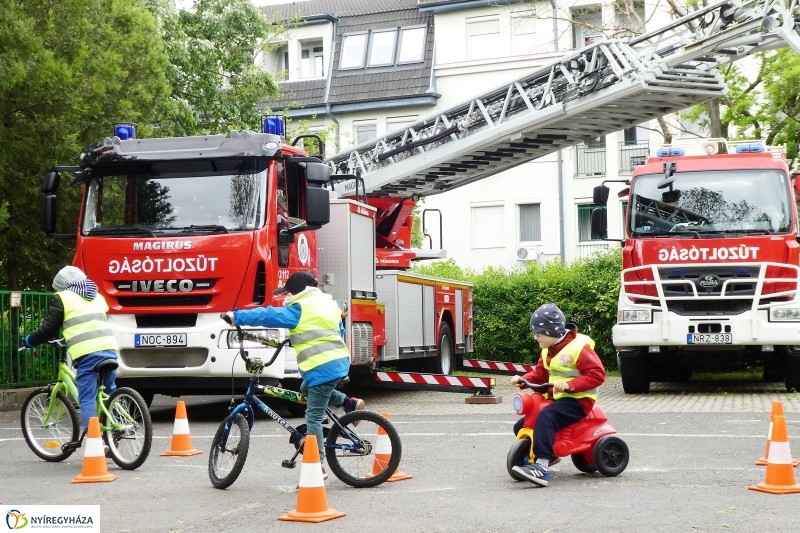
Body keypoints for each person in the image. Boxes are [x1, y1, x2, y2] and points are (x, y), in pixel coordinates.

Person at [225, 270, 365, 479]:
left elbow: (269, 316)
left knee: (313, 417)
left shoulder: (300, 309)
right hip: (338, 362)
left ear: (298, 292)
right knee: (304, 390)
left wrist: (236, 316)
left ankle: (317, 464)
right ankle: (349, 404)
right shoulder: (328, 305)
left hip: (321, 368)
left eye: (288, 292)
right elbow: (334, 333)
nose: (286, 296)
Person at [509, 303, 606, 487]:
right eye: (534, 332)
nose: (535, 337)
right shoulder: (548, 350)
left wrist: (570, 385)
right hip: (556, 397)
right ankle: (548, 454)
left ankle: (542, 466)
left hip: (579, 400)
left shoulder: (579, 348)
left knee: (546, 416)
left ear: (551, 330)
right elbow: (540, 374)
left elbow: (597, 374)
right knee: (522, 425)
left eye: (539, 333)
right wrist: (524, 379)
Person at [24, 266, 119, 435]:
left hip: (87, 352)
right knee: (109, 392)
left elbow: (48, 329)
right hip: (109, 347)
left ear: (62, 286)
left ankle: (94, 439)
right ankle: (117, 430)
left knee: (86, 397)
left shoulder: (63, 297)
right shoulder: (97, 296)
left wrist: (30, 341)